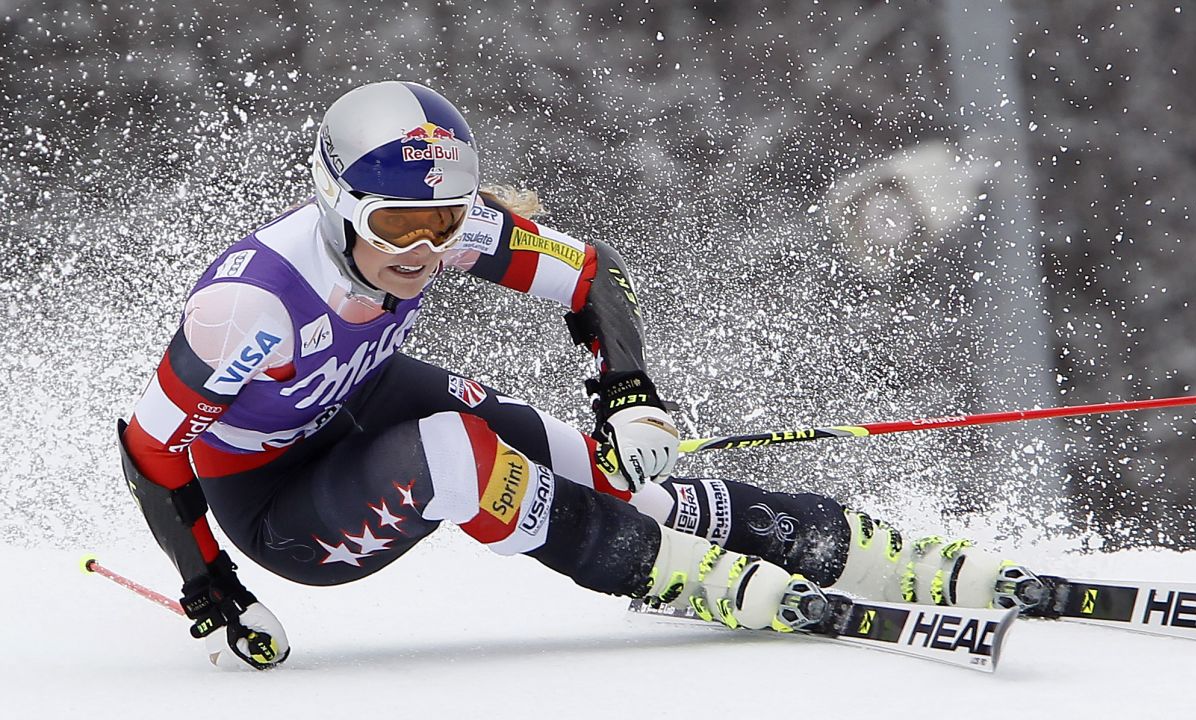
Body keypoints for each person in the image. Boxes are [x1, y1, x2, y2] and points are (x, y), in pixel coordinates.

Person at [118, 80, 1062, 671]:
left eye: (443, 222)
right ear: (337, 206)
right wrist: (213, 590)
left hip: (359, 405)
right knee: (458, 455)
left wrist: (628, 394)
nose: (424, 248)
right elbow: (151, 451)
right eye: (398, 226)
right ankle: (672, 577)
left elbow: (589, 275)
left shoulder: (445, 230)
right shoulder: (251, 309)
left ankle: (829, 544)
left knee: (602, 467)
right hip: (278, 505)